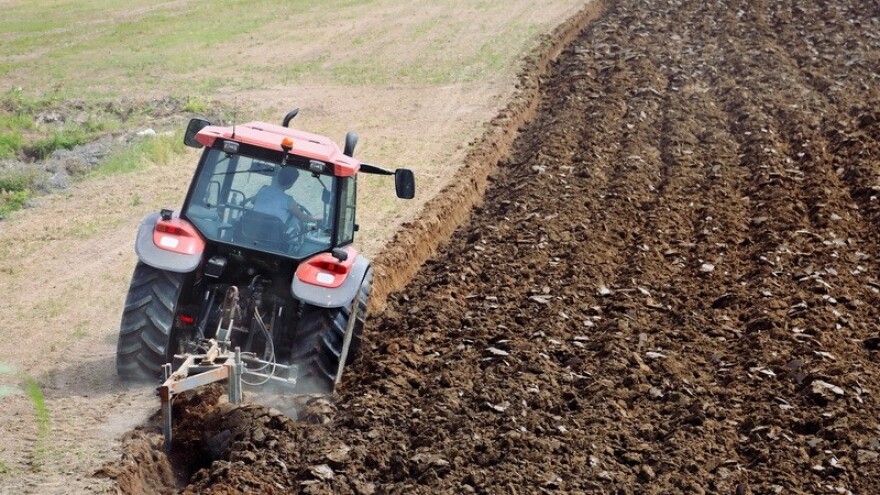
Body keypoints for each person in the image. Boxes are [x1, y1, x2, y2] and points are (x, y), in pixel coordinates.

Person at [251, 166, 316, 225]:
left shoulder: (264, 189)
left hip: (249, 232)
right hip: (272, 237)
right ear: (291, 184)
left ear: (278, 176)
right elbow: (303, 218)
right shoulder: (288, 201)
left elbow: (253, 201)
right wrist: (317, 217)